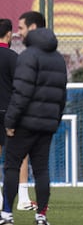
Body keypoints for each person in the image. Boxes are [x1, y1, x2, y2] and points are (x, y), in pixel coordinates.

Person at [0, 11, 67, 225]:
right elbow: (62, 95)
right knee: (41, 170)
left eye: (21, 28)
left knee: (11, 166)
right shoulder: (58, 58)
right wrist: (54, 121)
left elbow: (21, 92)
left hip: (24, 123)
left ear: (33, 27)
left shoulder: (28, 56)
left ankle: (6, 214)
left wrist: (11, 122)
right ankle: (41, 217)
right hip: (46, 124)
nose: (18, 33)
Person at [0, 18, 38, 211]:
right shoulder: (13, 57)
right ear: (8, 34)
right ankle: (23, 199)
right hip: (10, 112)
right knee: (20, 155)